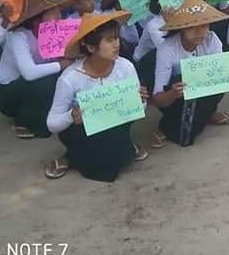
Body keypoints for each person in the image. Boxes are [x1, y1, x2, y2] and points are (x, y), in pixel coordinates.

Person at [44, 10, 151, 181]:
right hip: (82, 131)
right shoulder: (70, 78)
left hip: (117, 125)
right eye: (109, 40)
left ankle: (125, 146)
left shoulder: (125, 67)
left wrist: (140, 101)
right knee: (100, 167)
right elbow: (52, 124)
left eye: (116, 38)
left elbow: (138, 110)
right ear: (91, 47)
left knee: (119, 158)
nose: (116, 44)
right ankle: (71, 156)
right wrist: (71, 116)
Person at [151, 0, 229, 146]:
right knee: (179, 125)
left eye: (204, 25)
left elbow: (222, 73)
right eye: (192, 26)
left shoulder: (212, 39)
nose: (200, 32)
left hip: (203, 91)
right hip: (177, 98)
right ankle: (167, 125)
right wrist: (173, 93)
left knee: (214, 82)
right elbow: (157, 98)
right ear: (181, 28)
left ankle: (207, 113)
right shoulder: (166, 49)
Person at [0, 0, 73, 138]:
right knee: (49, 79)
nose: (59, 18)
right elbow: (29, 73)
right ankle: (27, 122)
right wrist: (62, 65)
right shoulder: (18, 36)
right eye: (53, 14)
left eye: (59, 13)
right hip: (6, 93)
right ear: (36, 19)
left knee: (64, 76)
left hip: (29, 87)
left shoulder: (56, 32)